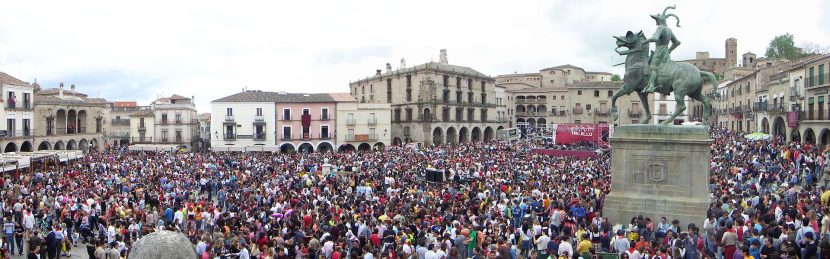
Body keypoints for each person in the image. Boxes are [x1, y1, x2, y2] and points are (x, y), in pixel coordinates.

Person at [642, 5, 682, 94]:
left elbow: (655, 38)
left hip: (659, 51)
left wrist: (645, 41)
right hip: (666, 53)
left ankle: (651, 86)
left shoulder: (660, 28)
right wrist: (669, 50)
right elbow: (677, 42)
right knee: (664, 68)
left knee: (653, 67)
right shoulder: (669, 30)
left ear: (658, 20)